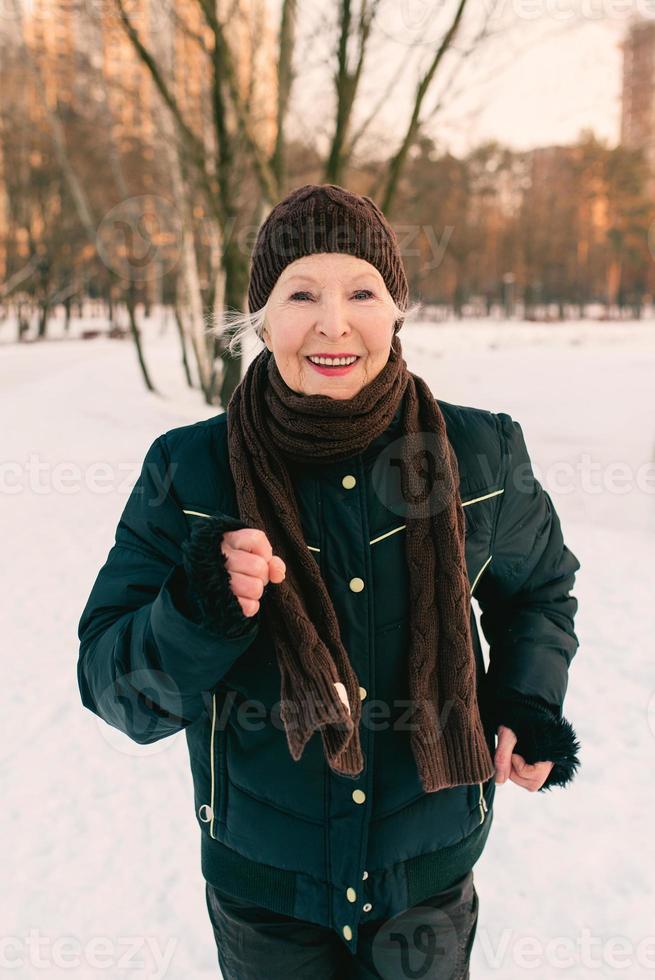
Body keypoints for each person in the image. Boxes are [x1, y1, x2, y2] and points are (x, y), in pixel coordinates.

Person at [77, 183, 582, 979]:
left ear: (396, 309)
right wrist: (198, 604)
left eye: (361, 292)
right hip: (266, 891)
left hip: (428, 873)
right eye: (300, 293)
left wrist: (525, 700)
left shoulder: (480, 454)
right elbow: (114, 687)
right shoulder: (188, 470)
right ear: (262, 317)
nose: (333, 322)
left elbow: (538, 593)